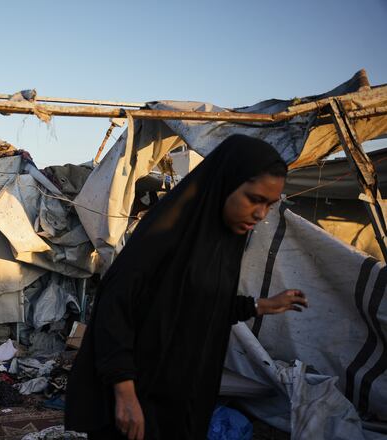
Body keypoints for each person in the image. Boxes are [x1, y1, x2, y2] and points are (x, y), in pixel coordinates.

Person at [65, 135, 309, 440]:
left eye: (269, 205)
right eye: (254, 199)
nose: (261, 214)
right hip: (138, 395)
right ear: (226, 183)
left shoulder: (220, 241)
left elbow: (202, 304)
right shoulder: (166, 232)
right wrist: (124, 393)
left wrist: (262, 306)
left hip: (178, 396)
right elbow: (114, 309)